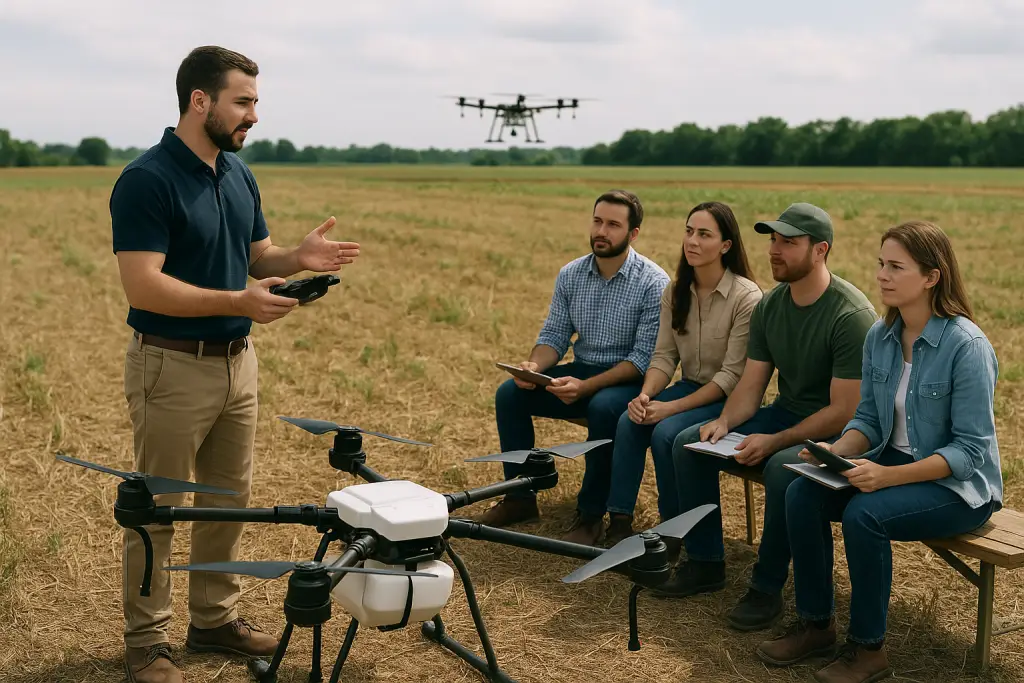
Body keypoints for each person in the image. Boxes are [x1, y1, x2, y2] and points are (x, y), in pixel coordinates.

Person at [109, 46, 360, 683]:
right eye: (242, 102)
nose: (253, 115)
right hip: (170, 365)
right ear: (201, 102)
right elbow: (143, 286)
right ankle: (147, 642)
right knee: (159, 508)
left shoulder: (237, 173)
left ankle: (213, 620)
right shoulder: (147, 180)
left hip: (235, 365)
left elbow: (258, 258)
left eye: (254, 103)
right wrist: (235, 301)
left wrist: (297, 259)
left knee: (227, 503)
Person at [756, 221, 1002, 683]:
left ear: (932, 276)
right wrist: (835, 449)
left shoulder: (966, 346)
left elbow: (969, 452)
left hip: (960, 487)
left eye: (896, 267)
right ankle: (816, 625)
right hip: (895, 464)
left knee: (864, 514)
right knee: (800, 492)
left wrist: (886, 477)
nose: (882, 276)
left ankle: (869, 652)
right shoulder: (881, 337)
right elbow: (868, 420)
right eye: (880, 265)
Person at [658, 203, 878, 635]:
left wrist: (773, 440)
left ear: (820, 250)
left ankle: (767, 587)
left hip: (837, 431)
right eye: (773, 240)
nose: (775, 251)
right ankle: (705, 562)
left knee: (780, 469)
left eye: (788, 243)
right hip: (784, 414)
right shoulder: (771, 305)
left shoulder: (850, 316)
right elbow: (751, 387)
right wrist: (724, 422)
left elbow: (844, 411)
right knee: (689, 444)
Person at [479, 189, 670, 545]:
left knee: (602, 407)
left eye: (613, 224)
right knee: (510, 394)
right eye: (597, 221)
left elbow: (643, 359)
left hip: (629, 380)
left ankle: (592, 514)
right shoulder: (571, 274)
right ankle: (520, 495)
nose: (602, 231)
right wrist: (532, 366)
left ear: (633, 234)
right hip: (582, 369)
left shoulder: (653, 283)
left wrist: (586, 387)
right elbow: (554, 335)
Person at [600, 201, 763, 547]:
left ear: (725, 245)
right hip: (690, 387)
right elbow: (663, 357)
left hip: (730, 400)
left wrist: (669, 409)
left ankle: (673, 532)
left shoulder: (746, 297)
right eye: (689, 232)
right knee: (632, 420)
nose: (692, 241)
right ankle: (618, 521)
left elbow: (731, 378)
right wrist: (646, 396)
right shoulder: (675, 292)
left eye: (704, 234)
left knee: (665, 432)